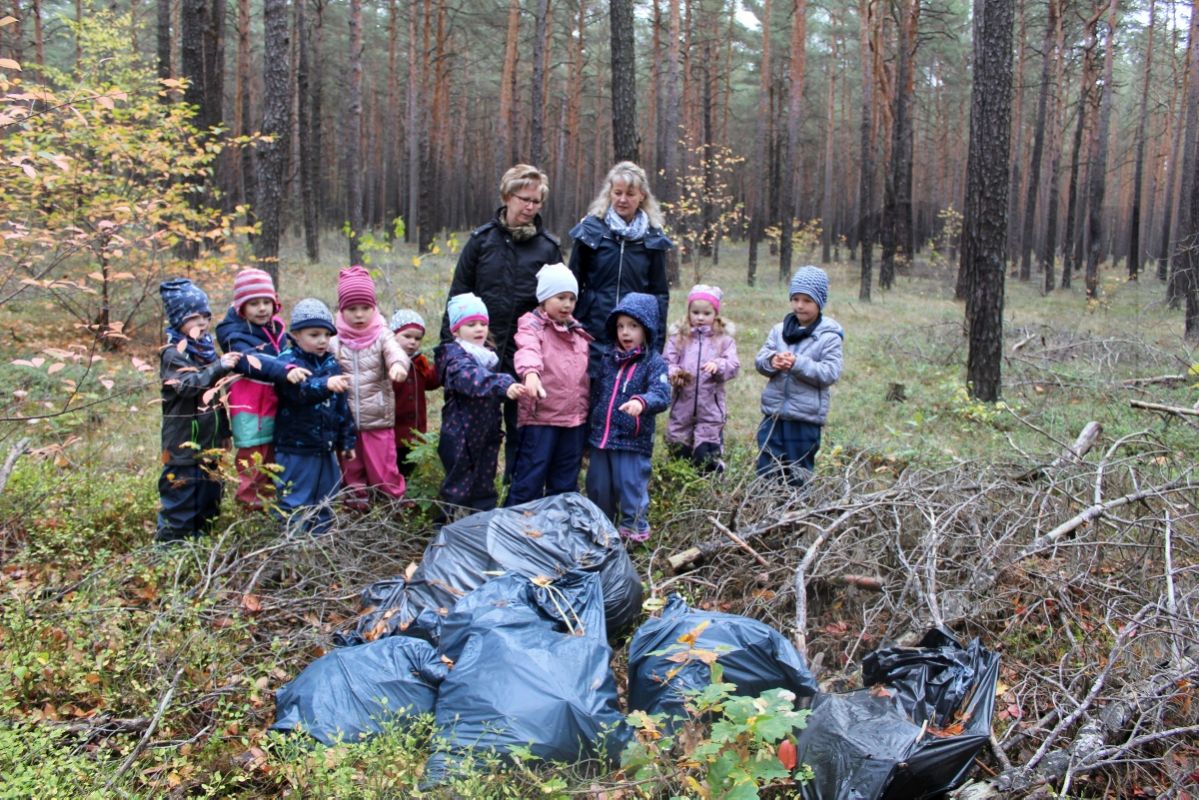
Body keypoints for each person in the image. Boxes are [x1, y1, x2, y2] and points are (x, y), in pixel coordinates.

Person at [440, 164, 561, 474]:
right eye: (524, 199)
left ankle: (516, 495)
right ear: (508, 197)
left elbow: (559, 304)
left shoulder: (548, 248)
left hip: (526, 355)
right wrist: (447, 352)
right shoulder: (482, 242)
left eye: (537, 201)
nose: (530, 206)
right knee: (475, 429)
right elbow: (458, 294)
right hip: (480, 351)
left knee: (523, 430)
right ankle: (471, 494)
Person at [215, 268, 310, 511]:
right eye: (254, 303)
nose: (262, 309)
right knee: (253, 460)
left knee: (272, 459)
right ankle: (251, 510)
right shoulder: (233, 334)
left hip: (275, 404)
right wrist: (285, 369)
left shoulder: (276, 327)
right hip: (250, 408)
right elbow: (251, 363)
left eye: (266, 302)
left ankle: (270, 504)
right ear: (241, 307)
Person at [156, 278, 241, 543]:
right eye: (194, 318)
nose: (202, 323)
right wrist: (218, 367)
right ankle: (171, 551)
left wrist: (224, 431)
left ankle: (201, 550)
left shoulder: (206, 350)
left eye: (205, 316)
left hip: (208, 445)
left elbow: (216, 395)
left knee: (209, 498)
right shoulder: (173, 354)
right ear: (178, 320)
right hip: (183, 450)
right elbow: (188, 387)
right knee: (181, 503)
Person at [570, 161, 673, 372]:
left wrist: (656, 342)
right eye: (617, 193)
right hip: (592, 329)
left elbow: (659, 294)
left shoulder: (653, 237)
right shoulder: (590, 230)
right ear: (610, 193)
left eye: (630, 193)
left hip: (634, 332)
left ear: (642, 196)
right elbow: (571, 283)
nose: (622, 199)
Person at [585, 292, 671, 543]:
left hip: (632, 441)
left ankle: (634, 534)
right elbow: (597, 394)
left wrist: (640, 402)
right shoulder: (608, 359)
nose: (626, 332)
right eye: (621, 326)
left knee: (631, 488)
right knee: (599, 487)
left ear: (647, 329)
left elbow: (661, 394)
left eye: (633, 326)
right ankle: (602, 532)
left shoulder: (653, 363)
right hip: (602, 439)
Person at [506, 263, 592, 506]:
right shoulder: (532, 325)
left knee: (565, 482)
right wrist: (531, 373)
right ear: (544, 299)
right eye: (560, 297)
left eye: (572, 299)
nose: (567, 304)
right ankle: (517, 530)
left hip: (574, 421)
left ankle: (557, 531)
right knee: (529, 479)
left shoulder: (579, 332)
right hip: (541, 419)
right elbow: (527, 350)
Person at [435, 293, 526, 516]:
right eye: (471, 324)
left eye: (483, 324)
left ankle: (482, 527)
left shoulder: (486, 356)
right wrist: (503, 384)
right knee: (458, 486)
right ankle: (446, 530)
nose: (479, 329)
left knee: (485, 483)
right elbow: (472, 379)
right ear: (456, 330)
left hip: (486, 433)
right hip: (461, 436)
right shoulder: (455, 358)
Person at [754, 266, 844, 486]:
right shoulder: (779, 330)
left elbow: (830, 373)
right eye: (795, 298)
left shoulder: (829, 336)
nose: (799, 305)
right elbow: (761, 359)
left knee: (797, 470)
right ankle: (765, 508)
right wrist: (771, 361)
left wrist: (797, 363)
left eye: (807, 300)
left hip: (805, 418)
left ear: (819, 303)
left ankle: (796, 512)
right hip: (774, 414)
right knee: (767, 465)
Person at [272, 299, 355, 534]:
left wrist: (346, 440)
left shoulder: (331, 363)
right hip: (295, 448)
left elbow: (342, 406)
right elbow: (300, 392)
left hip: (325, 448)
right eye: (314, 334)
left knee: (326, 498)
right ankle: (293, 549)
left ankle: (319, 546)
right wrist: (326, 384)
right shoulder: (287, 363)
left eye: (327, 335)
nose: (322, 341)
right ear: (296, 334)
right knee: (295, 500)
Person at [330, 266, 410, 507]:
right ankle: (357, 510)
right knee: (351, 470)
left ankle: (394, 506)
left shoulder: (382, 334)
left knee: (384, 468)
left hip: (378, 418)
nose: (359, 315)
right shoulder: (335, 339)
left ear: (374, 308)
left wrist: (397, 365)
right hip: (347, 421)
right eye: (352, 309)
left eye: (365, 308)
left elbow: (396, 351)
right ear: (342, 310)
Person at [664, 284, 740, 473]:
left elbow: (733, 365)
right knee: (678, 453)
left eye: (706, 313)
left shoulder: (723, 340)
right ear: (688, 312)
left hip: (710, 411)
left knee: (705, 457)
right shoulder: (678, 338)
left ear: (715, 314)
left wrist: (718, 365)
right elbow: (666, 363)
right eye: (695, 312)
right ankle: (678, 489)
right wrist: (675, 373)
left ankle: (711, 484)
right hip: (682, 408)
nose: (700, 317)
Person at [389, 309, 440, 477]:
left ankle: (409, 493)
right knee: (393, 463)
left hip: (416, 428)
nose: (413, 342)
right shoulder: (388, 362)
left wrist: (441, 367)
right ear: (393, 335)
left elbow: (430, 382)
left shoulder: (419, 361)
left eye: (418, 338)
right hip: (394, 428)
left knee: (410, 464)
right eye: (407, 336)